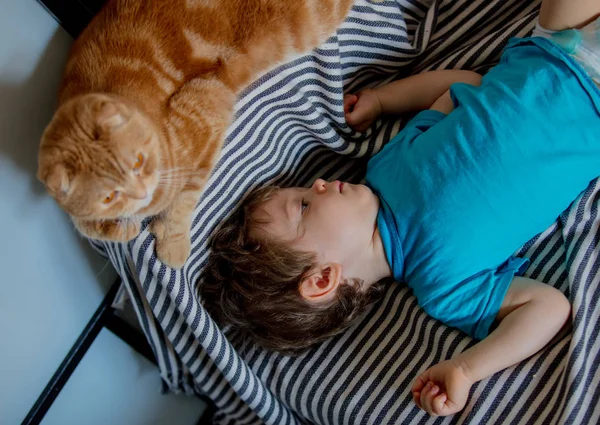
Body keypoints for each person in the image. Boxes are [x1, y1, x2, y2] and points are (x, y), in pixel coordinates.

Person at [200, 0, 600, 416]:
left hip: (552, 46)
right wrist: (466, 369)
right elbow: (549, 308)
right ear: (322, 280)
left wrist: (384, 99)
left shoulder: (385, 167)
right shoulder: (446, 288)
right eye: (302, 206)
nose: (317, 183)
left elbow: (464, 85)